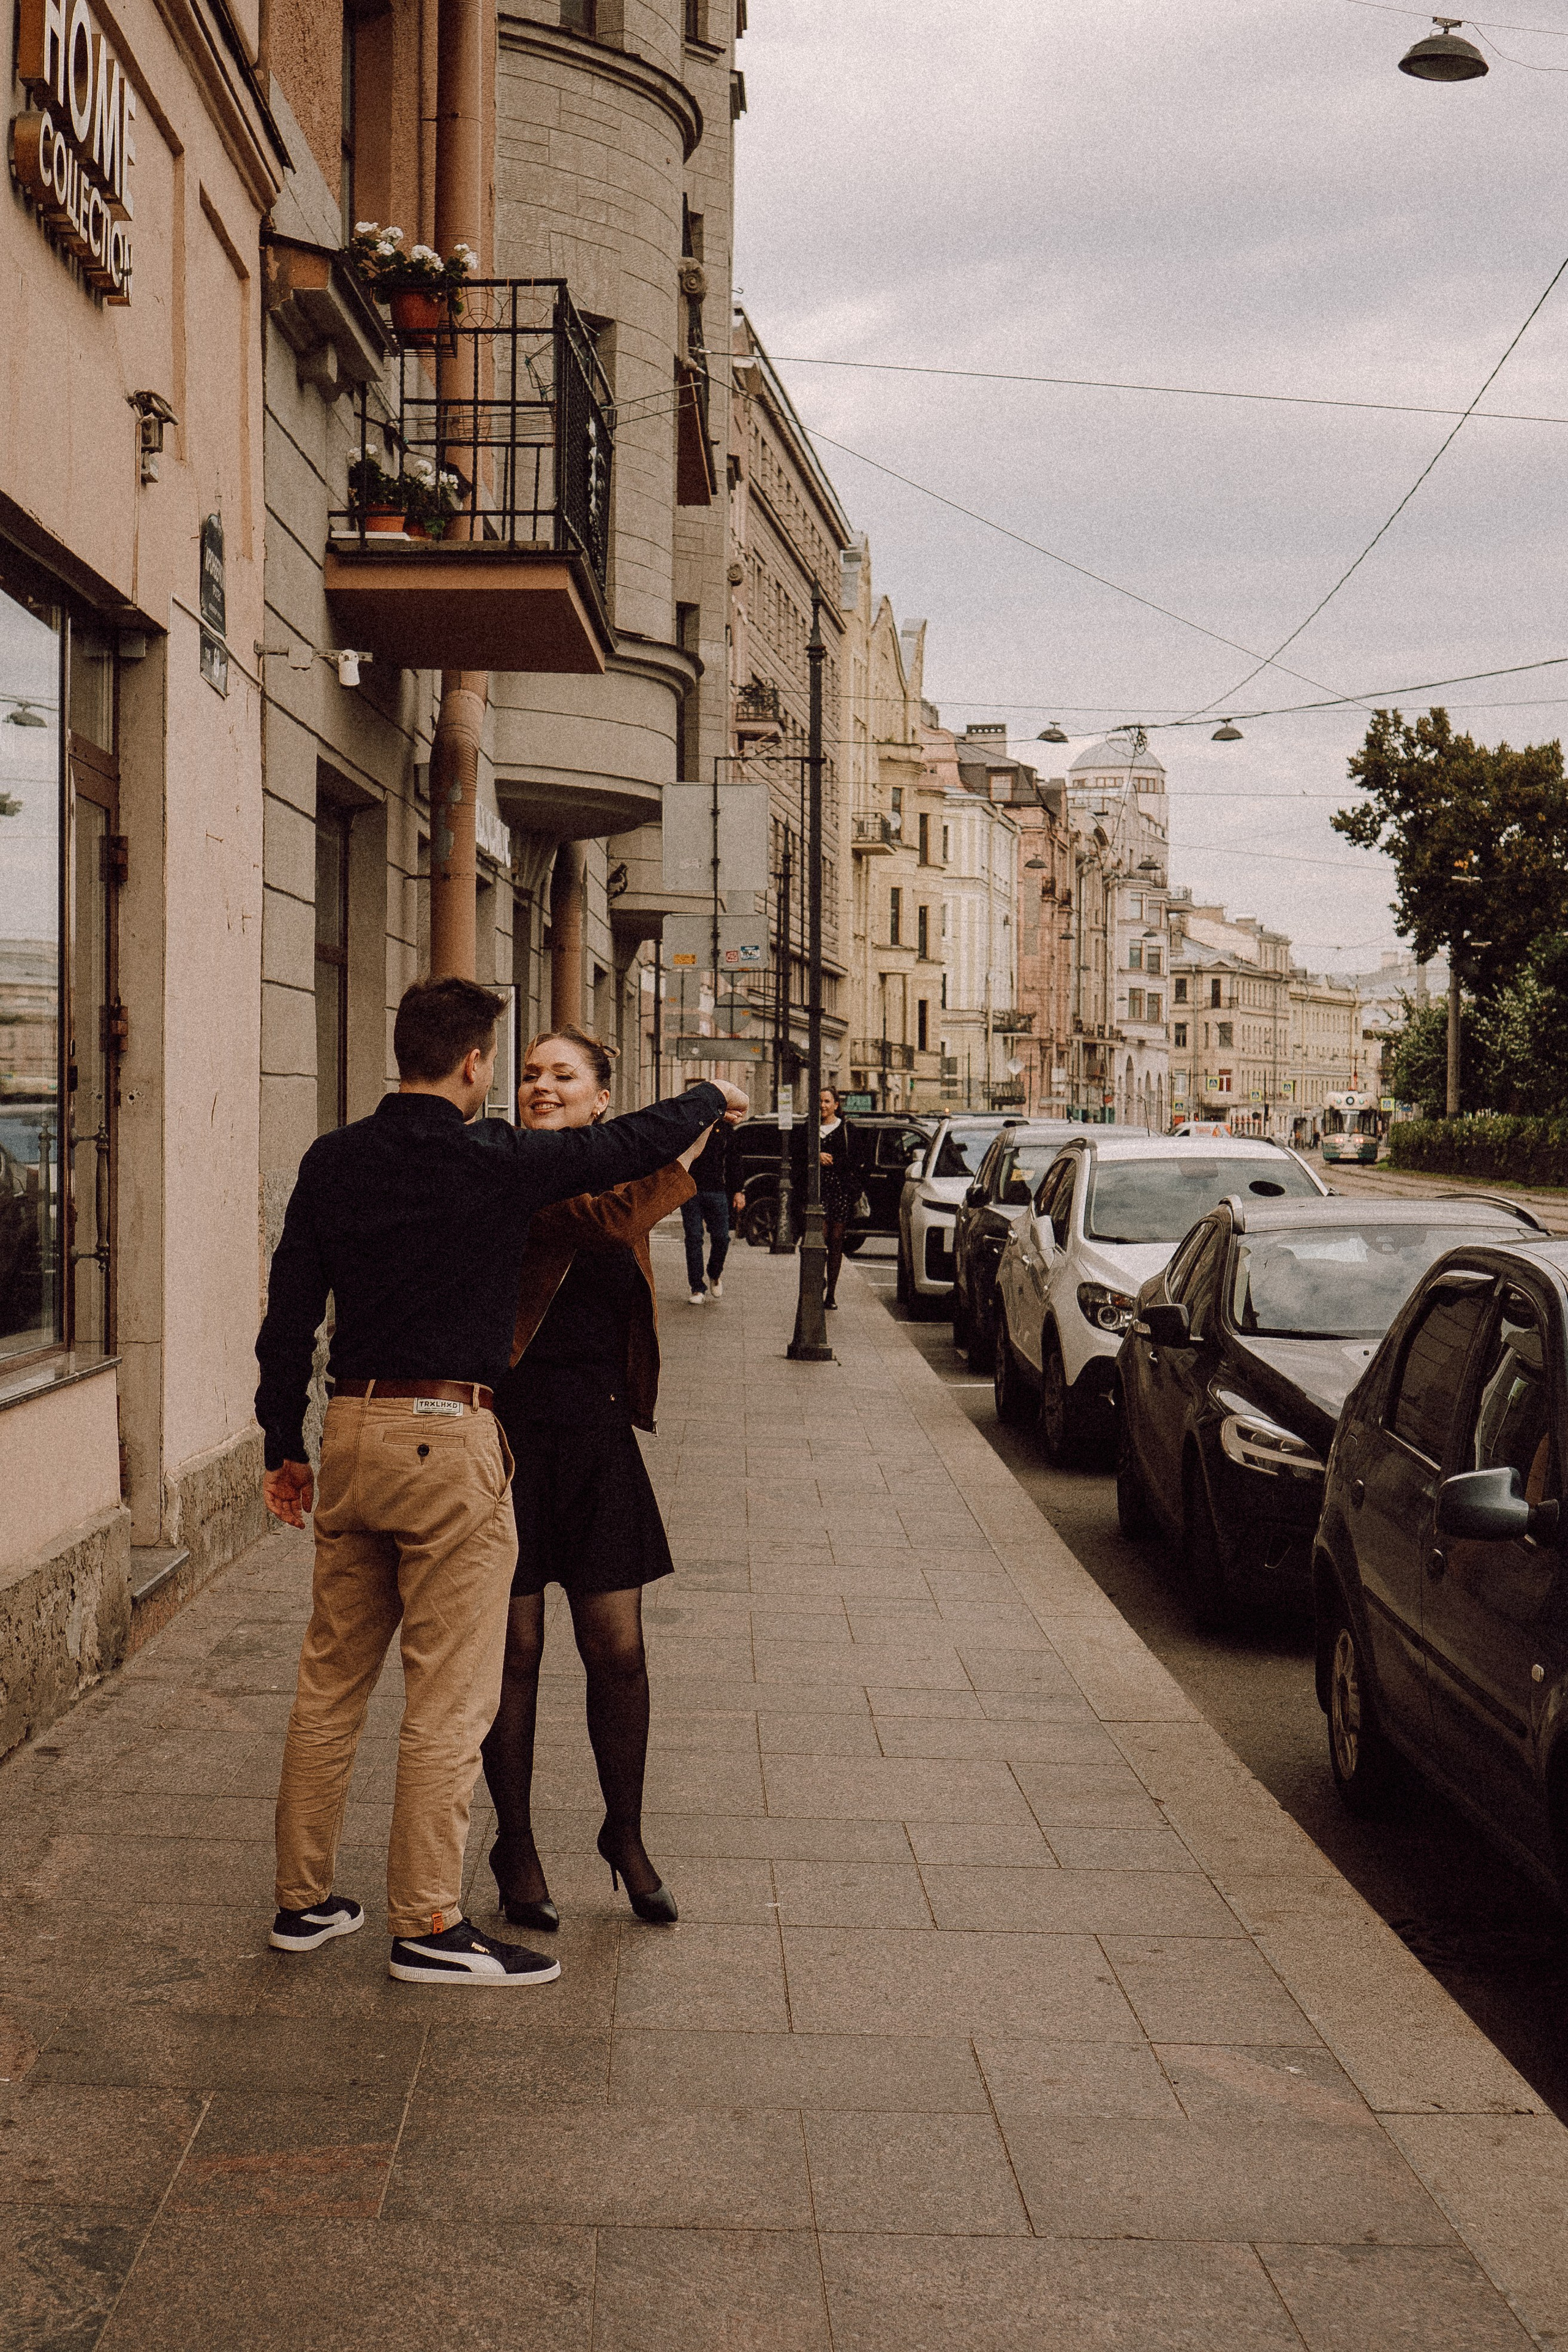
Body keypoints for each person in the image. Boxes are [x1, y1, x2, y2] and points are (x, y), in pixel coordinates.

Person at [254, 977, 745, 1989]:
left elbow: (288, 1314)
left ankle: (303, 1903)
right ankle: (430, 1923)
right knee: (453, 1693)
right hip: (449, 1437)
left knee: (329, 1684)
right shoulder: (490, 1159)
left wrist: (281, 1443)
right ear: (476, 1064)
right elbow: (620, 1155)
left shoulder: (333, 1159)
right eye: (510, 1066)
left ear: (402, 1050)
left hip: (349, 1426)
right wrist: (706, 1098)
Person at [481, 1024, 701, 1932]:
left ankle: (625, 1831)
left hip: (600, 1440)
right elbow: (602, 1221)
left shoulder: (616, 1176)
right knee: (517, 1652)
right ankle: (517, 1843)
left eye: (562, 1076)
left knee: (618, 1650)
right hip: (507, 1439)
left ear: (601, 1097)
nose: (540, 1087)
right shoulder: (503, 1175)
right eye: (529, 1074)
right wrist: (685, 1148)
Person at [680, 1091, 743, 1303]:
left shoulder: (725, 1130)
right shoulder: (692, 1126)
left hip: (717, 1190)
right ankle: (697, 1288)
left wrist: (738, 1191)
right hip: (691, 1190)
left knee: (721, 1238)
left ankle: (715, 1273)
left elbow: (735, 1161)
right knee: (694, 1238)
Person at [818, 1085, 855, 1308]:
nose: (823, 1106)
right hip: (818, 1192)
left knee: (836, 1242)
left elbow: (855, 1159)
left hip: (840, 1191)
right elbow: (797, 1153)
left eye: (827, 1102)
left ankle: (831, 1292)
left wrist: (834, 1161)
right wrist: (816, 1155)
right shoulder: (810, 1129)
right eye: (820, 1102)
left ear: (836, 1105)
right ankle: (817, 1280)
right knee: (819, 1239)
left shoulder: (846, 1129)